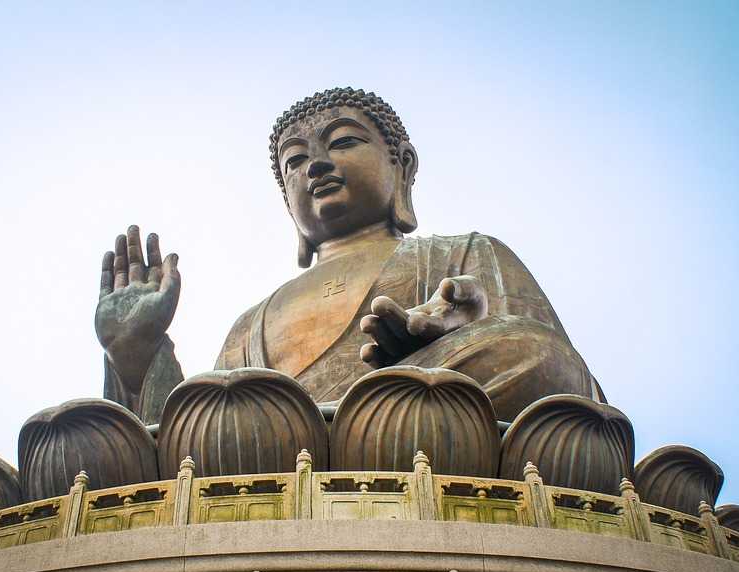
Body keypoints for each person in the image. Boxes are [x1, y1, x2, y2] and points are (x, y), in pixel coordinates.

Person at [94, 88, 603, 425]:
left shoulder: (464, 252)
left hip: (417, 424)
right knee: (208, 420)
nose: (316, 165)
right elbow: (188, 434)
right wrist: (136, 355)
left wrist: (463, 332)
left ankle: (370, 420)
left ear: (401, 167)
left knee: (534, 353)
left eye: (342, 143)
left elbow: (568, 381)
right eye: (295, 160)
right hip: (273, 453)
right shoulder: (251, 324)